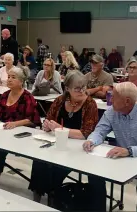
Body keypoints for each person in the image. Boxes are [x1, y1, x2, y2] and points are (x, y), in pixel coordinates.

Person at [83, 82, 137, 212]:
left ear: (127, 101)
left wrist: (129, 151)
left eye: (114, 96)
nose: (110, 99)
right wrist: (91, 140)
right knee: (94, 174)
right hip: (121, 156)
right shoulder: (111, 112)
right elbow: (100, 131)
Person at [29, 71, 104, 207]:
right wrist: (47, 125)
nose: (82, 91)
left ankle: (54, 199)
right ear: (67, 88)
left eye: (84, 87)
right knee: (39, 162)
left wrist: (60, 129)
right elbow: (48, 119)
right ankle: (37, 200)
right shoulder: (60, 100)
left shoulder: (90, 104)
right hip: (57, 144)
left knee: (56, 168)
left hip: (79, 149)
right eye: (77, 88)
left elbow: (86, 133)